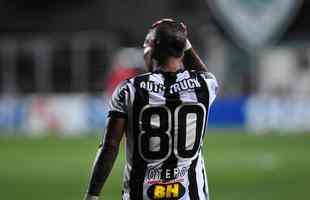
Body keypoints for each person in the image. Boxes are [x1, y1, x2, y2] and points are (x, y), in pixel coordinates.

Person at [84, 19, 218, 200]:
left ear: (153, 48)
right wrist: (182, 41)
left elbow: (110, 146)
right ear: (182, 48)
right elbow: (204, 73)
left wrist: (92, 194)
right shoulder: (205, 86)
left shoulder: (129, 89)